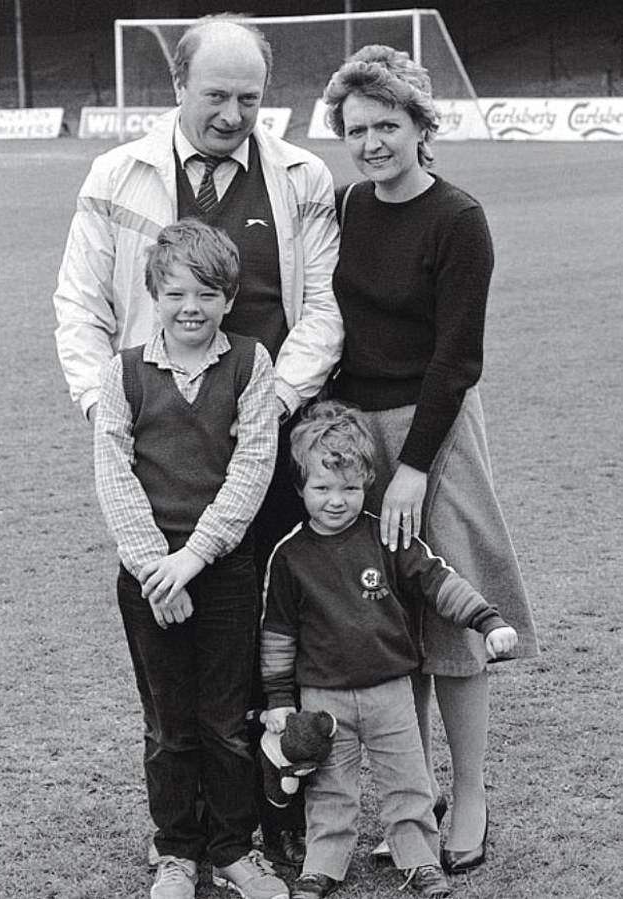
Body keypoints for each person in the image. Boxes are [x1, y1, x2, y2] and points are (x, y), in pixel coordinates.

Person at [53, 13, 342, 863]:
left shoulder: (301, 175)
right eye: (215, 94)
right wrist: (108, 407)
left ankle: (274, 813)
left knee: (277, 633)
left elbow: (321, 307)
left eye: (249, 97)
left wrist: (271, 403)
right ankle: (189, 832)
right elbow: (79, 304)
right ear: (178, 87)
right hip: (161, 449)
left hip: (265, 442)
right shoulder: (117, 174)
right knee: (180, 649)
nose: (232, 112)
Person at [322, 45, 539, 874]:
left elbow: (457, 359)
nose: (372, 143)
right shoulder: (349, 206)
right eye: (357, 129)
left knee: (452, 620)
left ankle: (472, 793)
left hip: (435, 432)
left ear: (422, 127)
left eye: (388, 126)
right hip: (357, 432)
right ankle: (413, 802)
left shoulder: (458, 218)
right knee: (389, 620)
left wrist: (412, 464)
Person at [94, 218, 287, 899]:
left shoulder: (250, 362)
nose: (191, 308)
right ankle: (177, 850)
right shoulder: (122, 370)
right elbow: (114, 472)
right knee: (169, 721)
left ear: (229, 299)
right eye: (176, 293)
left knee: (226, 720)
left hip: (224, 570)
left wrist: (193, 560)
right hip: (147, 576)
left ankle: (235, 847)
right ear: (154, 295)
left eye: (207, 294)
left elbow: (252, 468)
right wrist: (156, 566)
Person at [260, 401, 519, 899]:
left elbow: (440, 581)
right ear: (299, 487)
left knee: (408, 783)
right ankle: (323, 864)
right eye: (322, 488)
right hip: (323, 699)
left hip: (391, 692)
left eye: (350, 488)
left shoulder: (387, 536)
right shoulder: (289, 557)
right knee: (330, 789)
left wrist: (487, 620)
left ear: (367, 484)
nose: (336, 501)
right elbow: (277, 635)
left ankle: (418, 859)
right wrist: (277, 701)